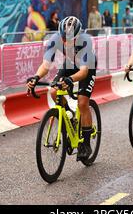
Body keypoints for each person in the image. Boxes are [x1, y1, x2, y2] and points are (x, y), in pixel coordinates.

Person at [26, 16, 97, 161]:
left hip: (86, 67)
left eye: (70, 39)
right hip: (70, 63)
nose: (66, 42)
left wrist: (70, 80)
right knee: (53, 91)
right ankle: (70, 117)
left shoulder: (86, 41)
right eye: (64, 39)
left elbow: (83, 72)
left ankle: (86, 144)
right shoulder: (55, 39)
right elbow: (45, 65)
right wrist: (36, 77)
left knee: (83, 103)